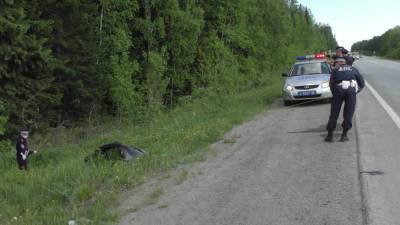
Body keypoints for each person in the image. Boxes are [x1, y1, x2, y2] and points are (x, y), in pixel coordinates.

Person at [325, 57, 365, 142]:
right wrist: (355, 91)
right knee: (348, 113)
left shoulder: (335, 70)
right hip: (351, 90)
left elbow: (331, 83)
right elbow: (362, 83)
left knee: (334, 112)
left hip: (338, 89)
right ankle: (344, 135)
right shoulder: (353, 69)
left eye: (336, 63)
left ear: (338, 63)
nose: (335, 64)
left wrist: (334, 92)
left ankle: (330, 135)